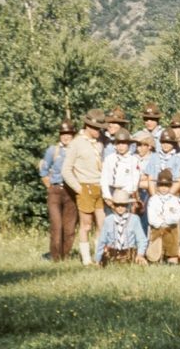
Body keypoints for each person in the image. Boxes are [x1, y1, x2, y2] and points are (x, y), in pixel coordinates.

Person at [62, 108, 108, 266]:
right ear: (88, 126)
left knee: (102, 224)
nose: (99, 131)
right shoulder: (76, 143)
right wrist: (79, 188)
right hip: (85, 187)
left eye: (100, 129)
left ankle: (99, 257)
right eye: (97, 128)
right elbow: (66, 170)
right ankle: (86, 259)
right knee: (86, 225)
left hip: (99, 187)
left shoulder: (101, 142)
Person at [39, 119, 78, 261]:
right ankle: (55, 257)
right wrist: (50, 187)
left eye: (68, 134)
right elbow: (43, 170)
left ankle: (65, 256)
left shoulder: (76, 151)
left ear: (73, 135)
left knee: (69, 228)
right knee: (57, 225)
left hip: (71, 192)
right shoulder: (53, 150)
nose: (66, 137)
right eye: (63, 134)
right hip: (55, 191)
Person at [93, 189, 147, 266]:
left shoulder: (134, 219)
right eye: (117, 205)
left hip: (130, 254)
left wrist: (140, 254)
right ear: (113, 205)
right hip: (111, 254)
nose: (120, 208)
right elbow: (102, 241)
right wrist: (97, 259)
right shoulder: (108, 220)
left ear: (128, 205)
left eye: (123, 205)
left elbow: (141, 239)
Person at [146, 169, 180, 264]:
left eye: (166, 186)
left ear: (170, 186)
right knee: (155, 257)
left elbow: (176, 217)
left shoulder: (175, 200)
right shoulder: (153, 200)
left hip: (170, 229)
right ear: (157, 186)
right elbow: (151, 219)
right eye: (161, 185)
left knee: (172, 258)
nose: (163, 188)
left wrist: (164, 219)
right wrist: (161, 222)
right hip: (157, 228)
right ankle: (157, 256)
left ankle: (171, 256)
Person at [100, 129, 142, 206]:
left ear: (129, 144)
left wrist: (123, 195)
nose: (120, 146)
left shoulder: (133, 160)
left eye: (123, 143)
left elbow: (134, 181)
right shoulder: (109, 159)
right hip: (110, 192)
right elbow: (104, 178)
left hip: (125, 194)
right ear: (115, 144)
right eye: (118, 143)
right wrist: (107, 196)